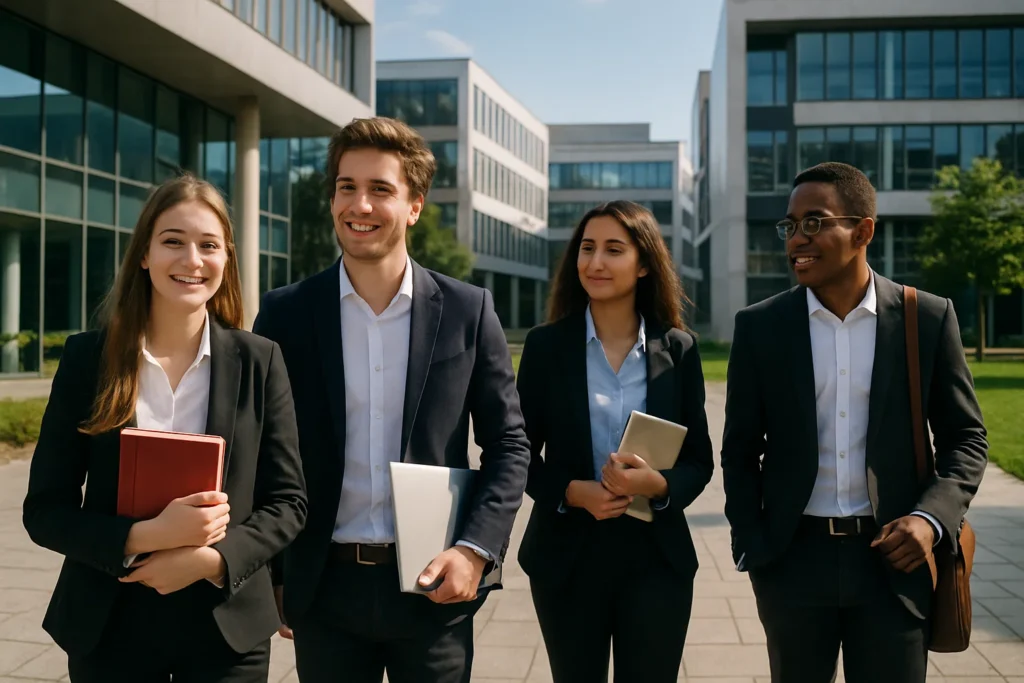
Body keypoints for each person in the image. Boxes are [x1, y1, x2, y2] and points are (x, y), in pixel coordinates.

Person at [252, 116, 531, 683]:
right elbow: (263, 451)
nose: (360, 204)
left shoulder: (467, 310)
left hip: (434, 584)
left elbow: (509, 444)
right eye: (347, 186)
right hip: (324, 587)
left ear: (414, 206)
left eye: (381, 189)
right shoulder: (284, 314)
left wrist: (475, 549)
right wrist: (272, 571)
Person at [22, 174, 308, 683]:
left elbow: (288, 503)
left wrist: (212, 560)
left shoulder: (260, 360)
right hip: (109, 622)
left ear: (227, 259)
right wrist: (143, 536)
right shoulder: (89, 359)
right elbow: (44, 510)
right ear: (144, 255)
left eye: (209, 245)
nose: (192, 260)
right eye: (173, 241)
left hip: (227, 630)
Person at [721, 161, 988, 683]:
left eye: (815, 222)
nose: (798, 238)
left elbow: (965, 437)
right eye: (791, 225)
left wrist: (929, 520)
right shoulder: (761, 327)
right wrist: (753, 544)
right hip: (792, 563)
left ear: (863, 230)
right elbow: (739, 449)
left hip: (895, 563)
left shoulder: (926, 317)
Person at [516, 200, 714, 683]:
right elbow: (517, 452)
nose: (595, 262)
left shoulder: (678, 349)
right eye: (587, 248)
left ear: (644, 263)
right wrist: (570, 491)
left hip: (656, 560)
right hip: (567, 558)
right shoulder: (545, 347)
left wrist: (660, 486)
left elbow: (699, 461)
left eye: (613, 249)